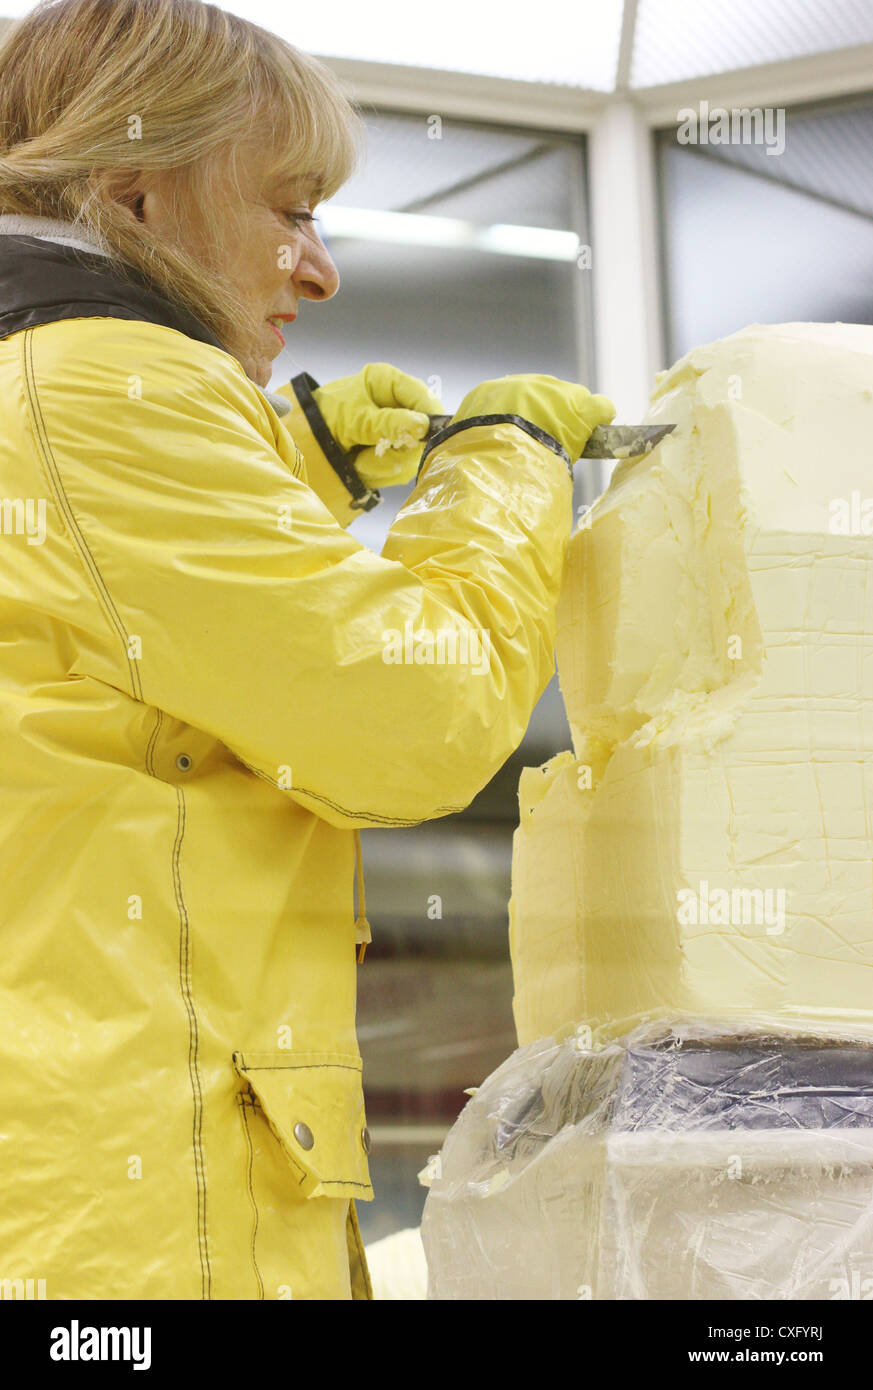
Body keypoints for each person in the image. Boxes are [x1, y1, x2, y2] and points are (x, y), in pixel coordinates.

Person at [0, 0, 614, 1299]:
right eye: (290, 210)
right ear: (136, 195)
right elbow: (411, 720)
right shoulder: (109, 388)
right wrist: (500, 468)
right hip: (145, 1235)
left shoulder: (43, 390)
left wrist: (292, 458)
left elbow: (100, 636)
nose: (320, 269)